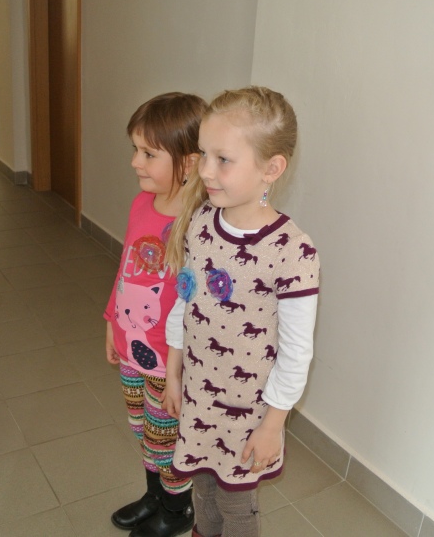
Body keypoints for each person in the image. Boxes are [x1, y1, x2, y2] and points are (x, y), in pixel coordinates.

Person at [163, 86, 320, 537]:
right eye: (203, 154)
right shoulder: (200, 222)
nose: (205, 171)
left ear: (271, 169)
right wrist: (173, 373)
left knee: (235, 504)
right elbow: (185, 301)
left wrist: (273, 426)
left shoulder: (293, 252)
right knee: (202, 491)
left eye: (223, 160)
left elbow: (296, 353)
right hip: (198, 394)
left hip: (248, 413)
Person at [104, 92, 207, 537]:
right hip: (132, 348)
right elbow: (125, 268)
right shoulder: (140, 204)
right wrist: (111, 322)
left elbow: (198, 306)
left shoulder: (199, 224)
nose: (135, 162)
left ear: (188, 163)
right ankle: (154, 496)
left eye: (148, 153)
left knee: (167, 437)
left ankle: (177, 509)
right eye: (135, 150)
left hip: (169, 362)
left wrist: (179, 370)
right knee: (144, 429)